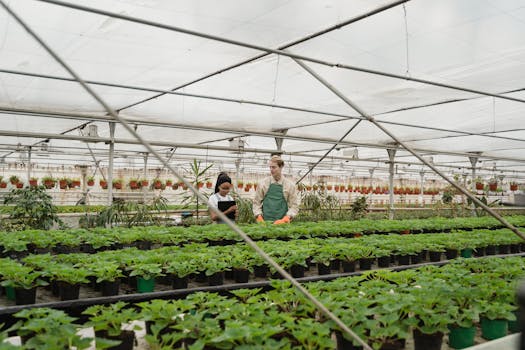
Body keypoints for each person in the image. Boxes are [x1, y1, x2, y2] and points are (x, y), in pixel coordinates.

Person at [253, 155, 299, 224]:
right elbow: (256, 203)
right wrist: (258, 216)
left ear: (281, 167)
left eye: (274, 167)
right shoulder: (263, 184)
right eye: (270, 167)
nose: (271, 169)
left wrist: (286, 218)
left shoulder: (289, 185)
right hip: (265, 223)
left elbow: (294, 205)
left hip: (283, 224)